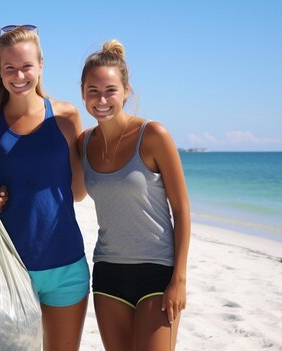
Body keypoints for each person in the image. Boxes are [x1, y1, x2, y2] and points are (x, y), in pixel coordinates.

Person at [0, 25, 89, 350]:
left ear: (41, 66)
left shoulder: (66, 117)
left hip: (67, 265)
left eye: (26, 66)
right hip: (8, 267)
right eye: (10, 68)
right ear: (0, 72)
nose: (19, 75)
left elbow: (78, 192)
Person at [77, 39, 190, 351]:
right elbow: (65, 188)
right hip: (108, 275)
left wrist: (179, 278)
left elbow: (181, 210)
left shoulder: (154, 136)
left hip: (157, 273)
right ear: (82, 92)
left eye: (110, 90)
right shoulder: (83, 144)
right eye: (93, 91)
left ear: (126, 91)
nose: (102, 99)